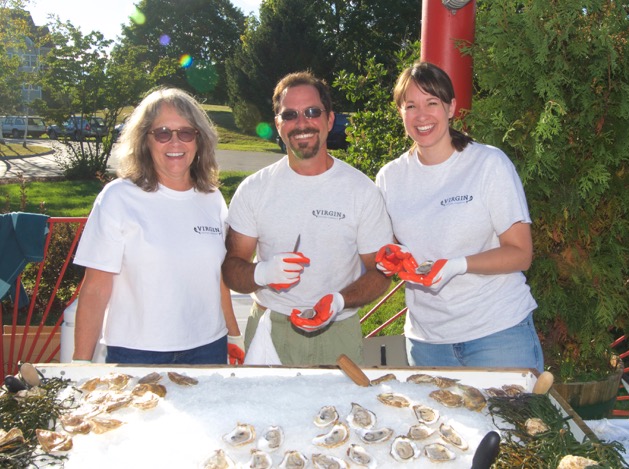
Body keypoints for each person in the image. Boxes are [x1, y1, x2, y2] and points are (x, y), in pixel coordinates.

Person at [375, 62, 544, 371]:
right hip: (426, 342)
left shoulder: (488, 164)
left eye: (432, 103)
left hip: (497, 333)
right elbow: (391, 248)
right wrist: (391, 257)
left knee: (513, 421)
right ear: (400, 112)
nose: (421, 115)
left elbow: (521, 254)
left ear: (451, 108)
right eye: (411, 105)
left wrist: (458, 265)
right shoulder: (390, 177)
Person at [221, 71, 393, 366]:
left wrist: (338, 301)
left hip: (339, 332)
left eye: (312, 112)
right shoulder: (254, 189)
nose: (302, 123)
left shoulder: (361, 190)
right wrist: (263, 274)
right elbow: (231, 269)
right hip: (271, 329)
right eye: (290, 115)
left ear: (329, 120)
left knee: (343, 412)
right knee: (261, 413)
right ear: (278, 124)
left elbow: (380, 272)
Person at [72, 87, 244, 365]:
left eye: (186, 132)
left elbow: (218, 279)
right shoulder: (118, 198)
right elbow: (95, 288)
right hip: (137, 352)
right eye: (162, 133)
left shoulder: (212, 199)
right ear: (145, 141)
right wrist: (80, 364)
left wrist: (234, 336)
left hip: (209, 347)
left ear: (199, 140)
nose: (175, 142)